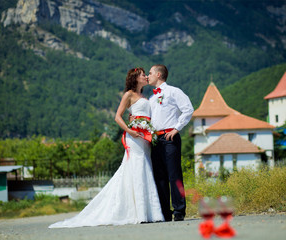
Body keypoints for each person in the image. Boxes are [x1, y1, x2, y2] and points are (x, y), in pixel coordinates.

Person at [48, 67, 164, 228]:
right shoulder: (129, 95)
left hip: (145, 138)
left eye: (146, 74)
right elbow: (117, 116)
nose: (145, 77)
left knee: (145, 168)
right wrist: (130, 130)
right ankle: (140, 213)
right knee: (136, 168)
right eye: (143, 75)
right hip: (134, 138)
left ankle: (150, 212)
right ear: (135, 78)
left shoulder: (145, 96)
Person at [147, 64, 194, 222]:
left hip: (170, 138)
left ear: (159, 75)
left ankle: (179, 210)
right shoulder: (151, 98)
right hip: (155, 140)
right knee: (159, 177)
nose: (148, 75)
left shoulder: (174, 91)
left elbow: (188, 109)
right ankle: (165, 212)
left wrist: (176, 129)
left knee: (174, 175)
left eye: (150, 73)